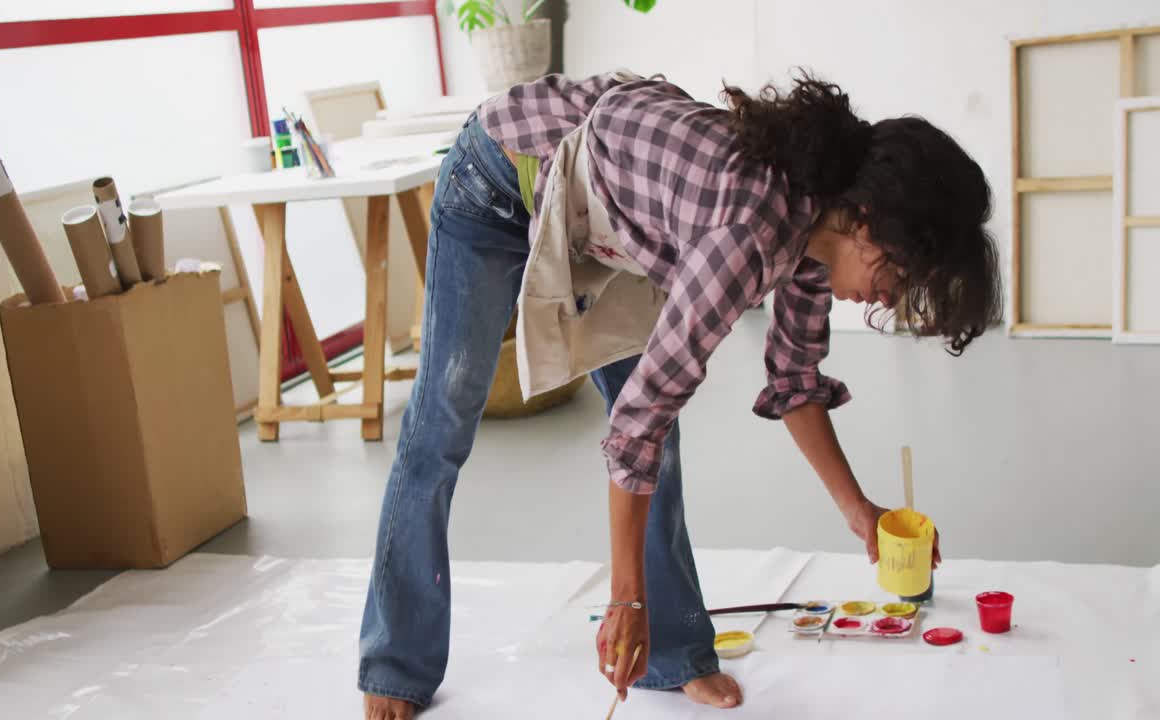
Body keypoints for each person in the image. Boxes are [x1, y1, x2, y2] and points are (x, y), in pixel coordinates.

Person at [358, 70, 1000, 720]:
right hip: (499, 177)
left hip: (604, 225)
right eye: (899, 270)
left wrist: (860, 511)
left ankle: (670, 653)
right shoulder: (746, 233)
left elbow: (795, 383)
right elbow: (638, 424)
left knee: (658, 435)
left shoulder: (814, 243)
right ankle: (394, 661)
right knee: (442, 423)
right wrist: (623, 602)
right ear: (865, 222)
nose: (890, 296)